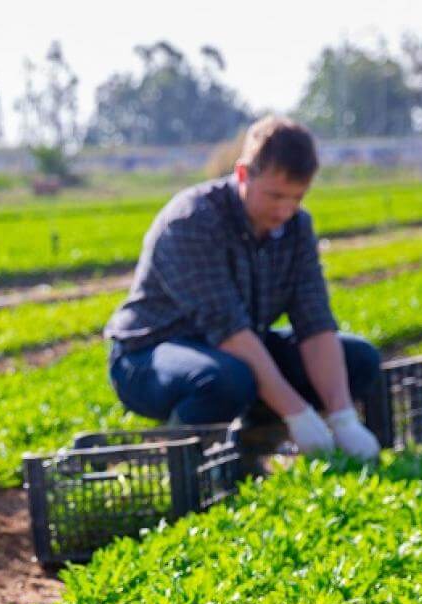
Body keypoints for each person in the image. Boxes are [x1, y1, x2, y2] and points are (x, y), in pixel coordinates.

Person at [104, 116, 383, 461]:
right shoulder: (192, 220)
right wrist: (298, 412)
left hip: (235, 347)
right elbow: (228, 329)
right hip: (150, 355)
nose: (285, 209)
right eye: (275, 195)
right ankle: (177, 458)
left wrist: (343, 418)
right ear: (242, 175)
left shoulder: (296, 228)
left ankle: (254, 439)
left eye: (296, 197)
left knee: (358, 358)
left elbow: (315, 322)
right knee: (225, 379)